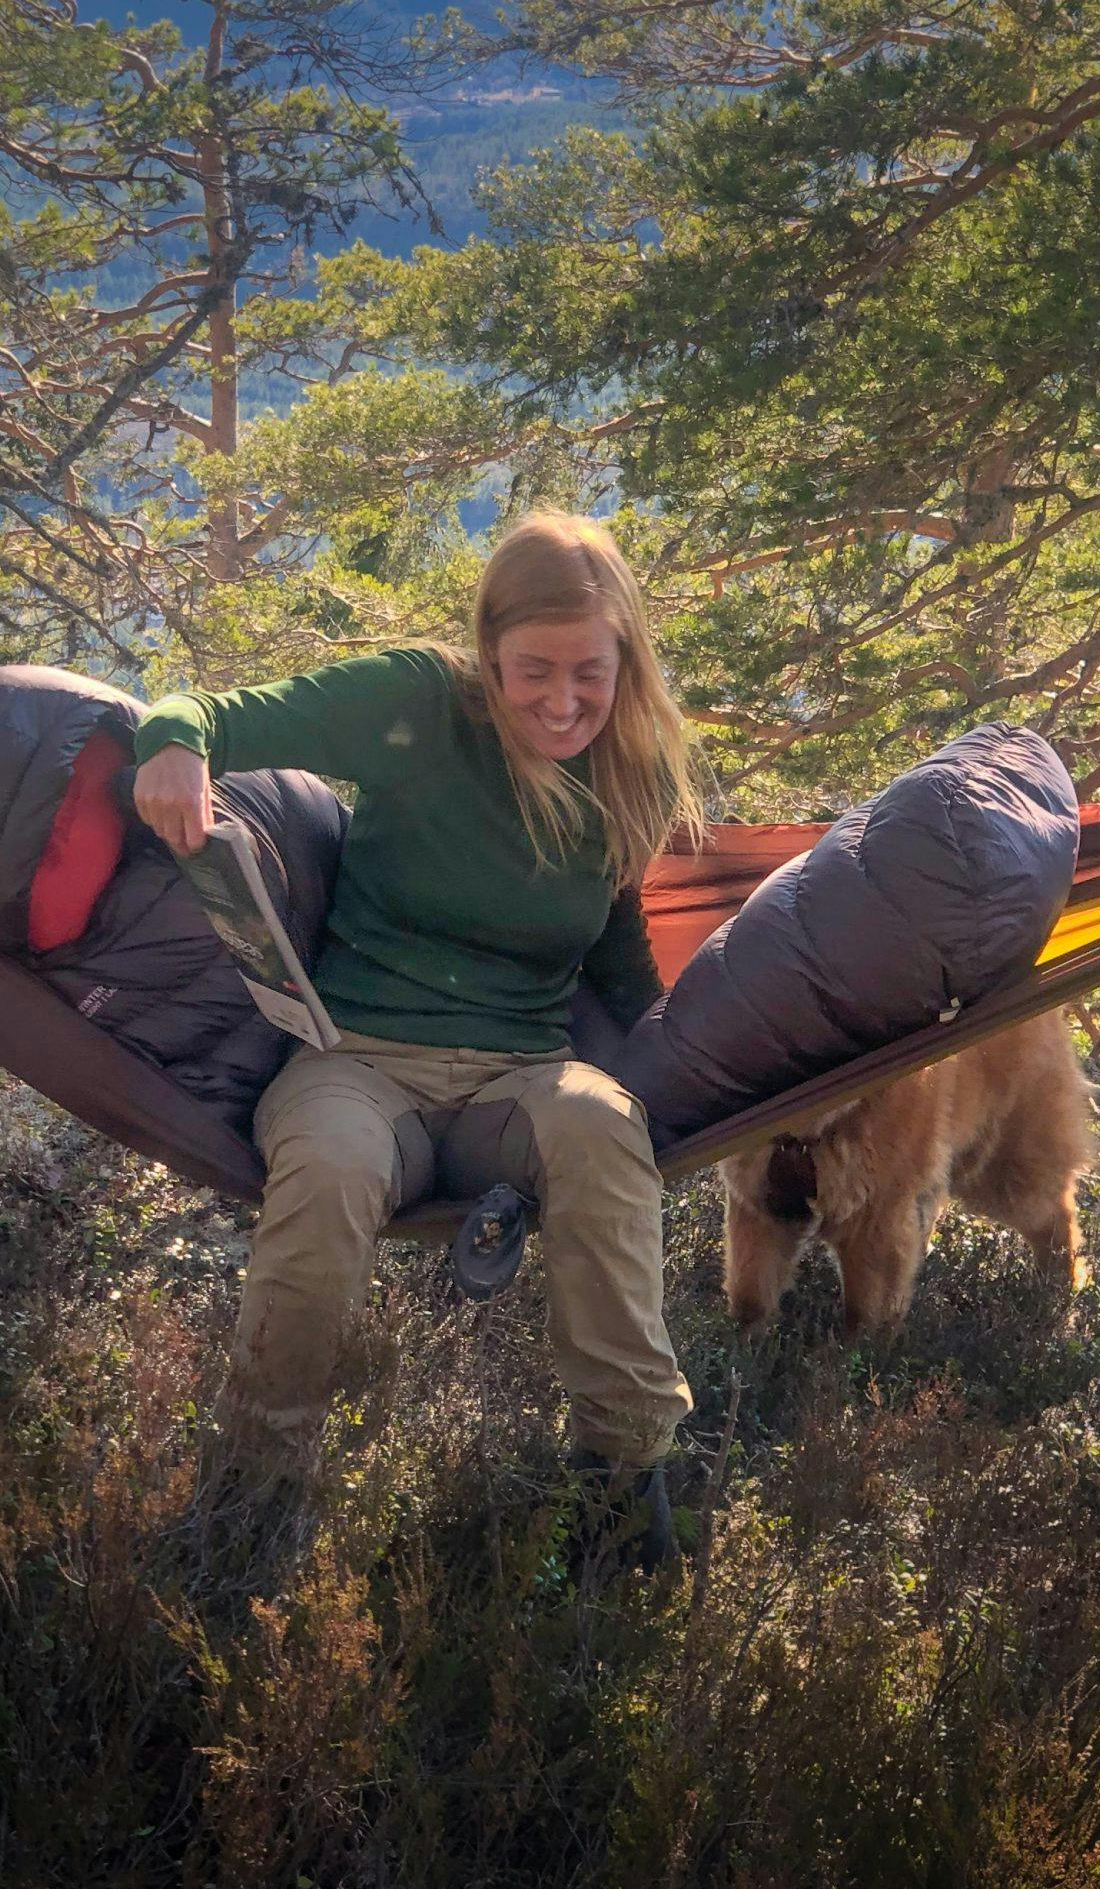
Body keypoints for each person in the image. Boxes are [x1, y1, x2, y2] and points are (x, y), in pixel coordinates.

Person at [131, 511, 707, 1562]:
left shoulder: (630, 776)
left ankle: (623, 1491)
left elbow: (617, 958)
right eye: (532, 669)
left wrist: (715, 1066)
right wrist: (170, 742)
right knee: (328, 1167)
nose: (563, 700)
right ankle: (252, 1498)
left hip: (518, 1082)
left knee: (600, 1127)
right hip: (357, 1067)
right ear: (487, 649)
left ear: (627, 655)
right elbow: (207, 709)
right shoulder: (416, 702)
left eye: (591, 671)